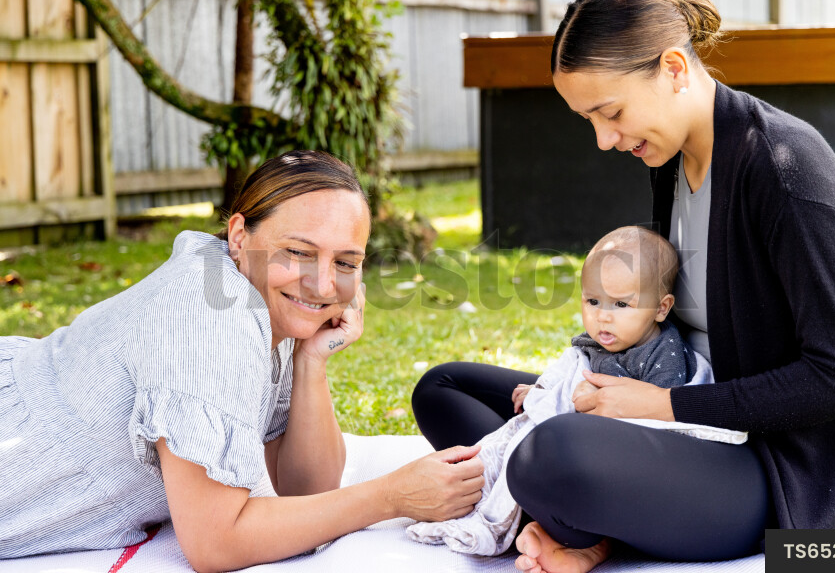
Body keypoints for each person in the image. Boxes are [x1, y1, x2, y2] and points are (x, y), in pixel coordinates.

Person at [412, 0, 835, 573]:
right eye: (589, 119)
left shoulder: (787, 172)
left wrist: (666, 405)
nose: (605, 140)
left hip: (770, 468)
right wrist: (593, 388)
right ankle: (569, 519)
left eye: (610, 112)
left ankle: (566, 520)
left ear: (674, 68)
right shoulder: (672, 158)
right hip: (674, 404)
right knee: (446, 389)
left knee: (552, 453)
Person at [0, 150, 485, 570]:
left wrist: (309, 364)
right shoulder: (211, 318)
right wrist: (391, 496)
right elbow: (215, 542)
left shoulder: (259, 304)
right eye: (298, 252)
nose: (321, 285)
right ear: (238, 235)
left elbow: (304, 491)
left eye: (345, 263)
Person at [408, 226, 734, 556]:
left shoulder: (662, 357)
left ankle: (564, 526)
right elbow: (568, 370)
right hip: (572, 435)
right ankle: (512, 499)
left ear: (661, 308)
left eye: (621, 304)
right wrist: (542, 391)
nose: (603, 316)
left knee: (555, 442)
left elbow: (660, 434)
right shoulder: (597, 341)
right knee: (440, 386)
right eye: (593, 301)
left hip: (614, 455)